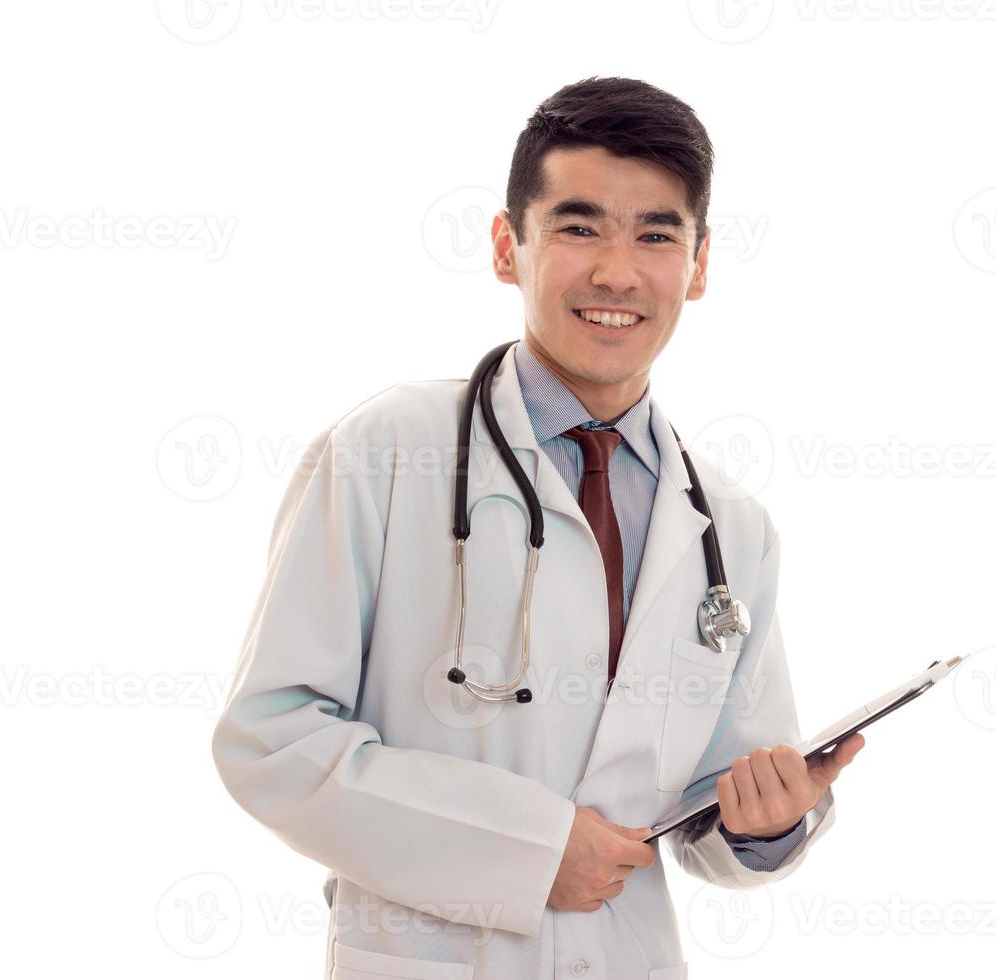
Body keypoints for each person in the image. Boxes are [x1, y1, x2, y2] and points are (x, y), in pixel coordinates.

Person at [211, 75, 865, 980]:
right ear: (506, 246)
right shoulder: (387, 451)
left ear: (701, 264)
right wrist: (526, 847)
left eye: (657, 235)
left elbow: (712, 816)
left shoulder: (733, 528)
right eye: (579, 226)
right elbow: (272, 741)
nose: (617, 272)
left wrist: (767, 824)